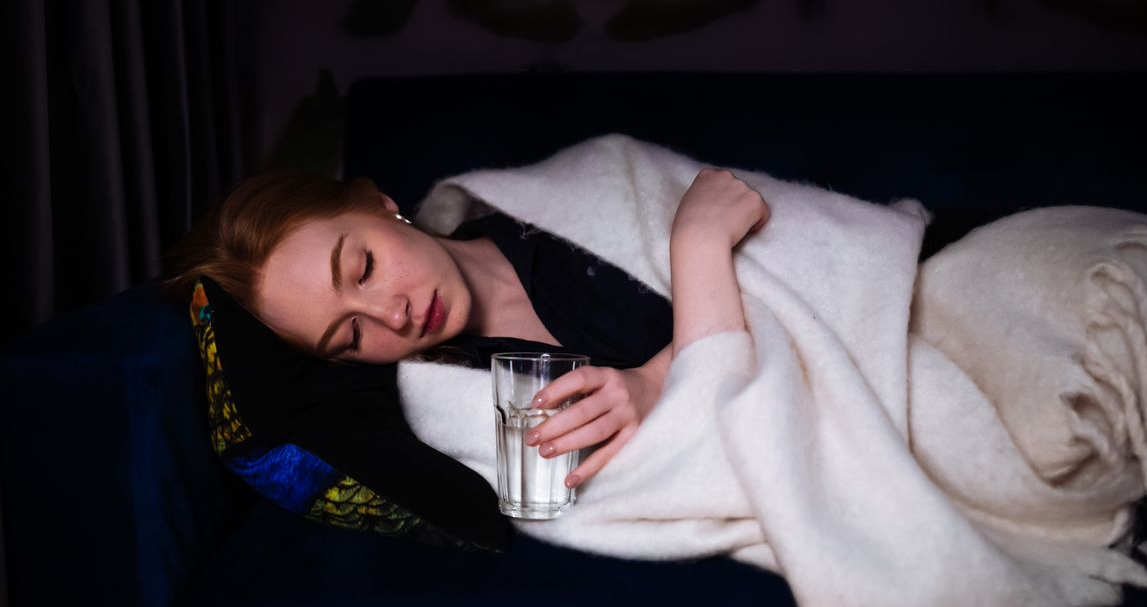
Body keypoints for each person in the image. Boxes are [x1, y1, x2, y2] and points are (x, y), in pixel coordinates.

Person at [163, 165, 770, 491]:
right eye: (349, 336)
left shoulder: (563, 205)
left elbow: (780, 285)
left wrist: (693, 241)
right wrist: (697, 252)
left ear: (379, 205)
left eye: (364, 267)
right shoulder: (454, 401)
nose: (389, 315)